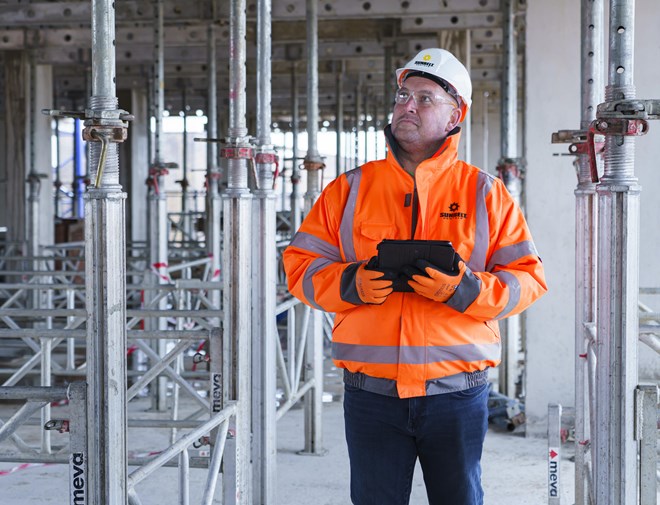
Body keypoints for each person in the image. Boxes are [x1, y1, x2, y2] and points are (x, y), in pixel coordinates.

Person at [283, 48, 547, 505]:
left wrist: (463, 290)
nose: (407, 106)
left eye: (425, 98)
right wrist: (350, 284)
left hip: (457, 394)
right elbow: (300, 267)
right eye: (403, 95)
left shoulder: (485, 193)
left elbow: (528, 280)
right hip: (371, 395)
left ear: (454, 114)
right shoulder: (349, 190)